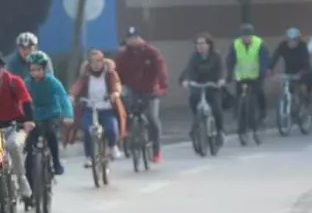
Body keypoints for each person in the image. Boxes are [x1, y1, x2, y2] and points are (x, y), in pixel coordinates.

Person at [0, 51, 35, 203]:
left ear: (4, 69)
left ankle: (21, 179)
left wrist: (29, 121)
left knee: (13, 145)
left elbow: (26, 101)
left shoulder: (14, 82)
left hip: (15, 124)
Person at [114, 27, 169, 163]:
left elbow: (161, 70)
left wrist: (162, 86)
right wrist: (115, 87)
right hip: (131, 88)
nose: (132, 41)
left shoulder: (151, 52)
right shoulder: (123, 55)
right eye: (129, 39)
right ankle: (126, 135)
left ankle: (156, 150)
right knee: (123, 108)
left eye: (134, 38)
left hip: (150, 89)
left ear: (140, 39)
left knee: (152, 118)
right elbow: (115, 73)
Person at [22, 50, 74, 185]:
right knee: (29, 145)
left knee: (50, 134)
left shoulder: (52, 82)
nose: (36, 73)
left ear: (44, 69)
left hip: (51, 114)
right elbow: (20, 100)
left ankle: (56, 162)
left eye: (39, 70)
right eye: (33, 70)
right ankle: (30, 177)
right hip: (35, 116)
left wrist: (67, 114)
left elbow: (63, 97)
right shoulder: (27, 83)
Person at [72, 49, 126, 163]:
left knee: (112, 129)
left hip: (107, 108)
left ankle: (112, 146)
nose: (96, 64)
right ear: (89, 63)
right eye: (93, 62)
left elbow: (116, 83)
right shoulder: (86, 75)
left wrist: (115, 93)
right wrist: (71, 95)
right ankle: (89, 156)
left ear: (103, 61)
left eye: (98, 61)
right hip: (90, 108)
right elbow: (78, 85)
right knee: (87, 130)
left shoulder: (109, 73)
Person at [178, 34, 226, 136]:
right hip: (198, 86)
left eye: (202, 43)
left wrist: (220, 80)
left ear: (209, 45)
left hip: (212, 87)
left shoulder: (216, 57)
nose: (199, 46)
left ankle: (220, 130)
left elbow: (221, 70)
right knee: (193, 100)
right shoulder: (194, 57)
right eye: (197, 44)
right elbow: (189, 70)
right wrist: (186, 80)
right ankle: (197, 123)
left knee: (216, 108)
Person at [225, 23, 270, 128]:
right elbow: (230, 60)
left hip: (256, 75)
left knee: (258, 92)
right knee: (239, 94)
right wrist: (229, 74)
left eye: (247, 36)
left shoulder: (260, 44)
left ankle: (262, 113)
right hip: (241, 75)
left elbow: (264, 59)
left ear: (251, 35)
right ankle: (238, 115)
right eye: (243, 36)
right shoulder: (235, 44)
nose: (245, 38)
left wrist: (262, 72)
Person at [269, 27, 312, 108]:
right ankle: (286, 106)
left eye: (295, 40)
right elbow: (275, 57)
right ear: (287, 40)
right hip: (289, 71)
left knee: (301, 88)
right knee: (287, 88)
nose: (293, 42)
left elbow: (306, 63)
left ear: (298, 40)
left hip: (302, 71)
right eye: (290, 40)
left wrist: (301, 73)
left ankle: (304, 104)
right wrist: (270, 69)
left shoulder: (302, 46)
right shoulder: (282, 46)